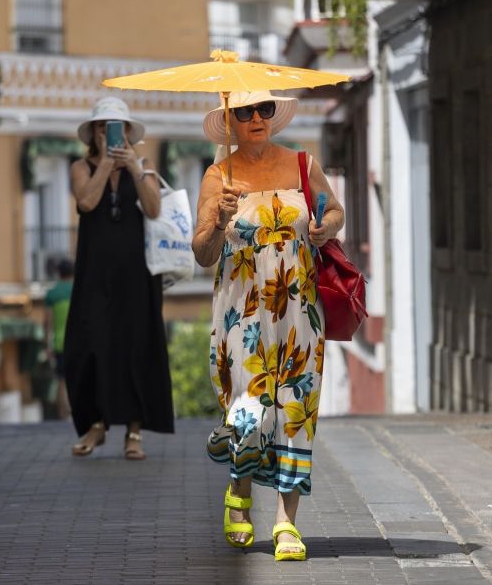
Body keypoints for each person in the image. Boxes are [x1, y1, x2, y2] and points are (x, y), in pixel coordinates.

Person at [192, 91, 345, 561]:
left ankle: (285, 523)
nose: (257, 118)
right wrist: (218, 220)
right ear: (230, 120)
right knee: (252, 406)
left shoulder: (303, 164)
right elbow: (202, 254)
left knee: (295, 407)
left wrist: (326, 228)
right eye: (245, 112)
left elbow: (333, 209)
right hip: (244, 312)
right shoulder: (218, 176)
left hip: (300, 308)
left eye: (264, 110)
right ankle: (239, 493)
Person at [64, 96, 174, 460]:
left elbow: (155, 208)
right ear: (93, 133)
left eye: (115, 126)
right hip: (94, 272)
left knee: (135, 344)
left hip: (136, 273)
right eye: (101, 126)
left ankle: (134, 430)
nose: (107, 133)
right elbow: (86, 203)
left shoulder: (142, 164)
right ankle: (95, 423)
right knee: (90, 342)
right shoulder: (81, 167)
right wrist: (106, 165)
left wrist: (134, 169)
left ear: (127, 132)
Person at [44, 258, 73, 419]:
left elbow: (47, 322)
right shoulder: (79, 291)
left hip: (59, 343)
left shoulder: (52, 294)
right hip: (79, 343)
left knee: (61, 380)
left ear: (59, 273)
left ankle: (64, 415)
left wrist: (47, 345)